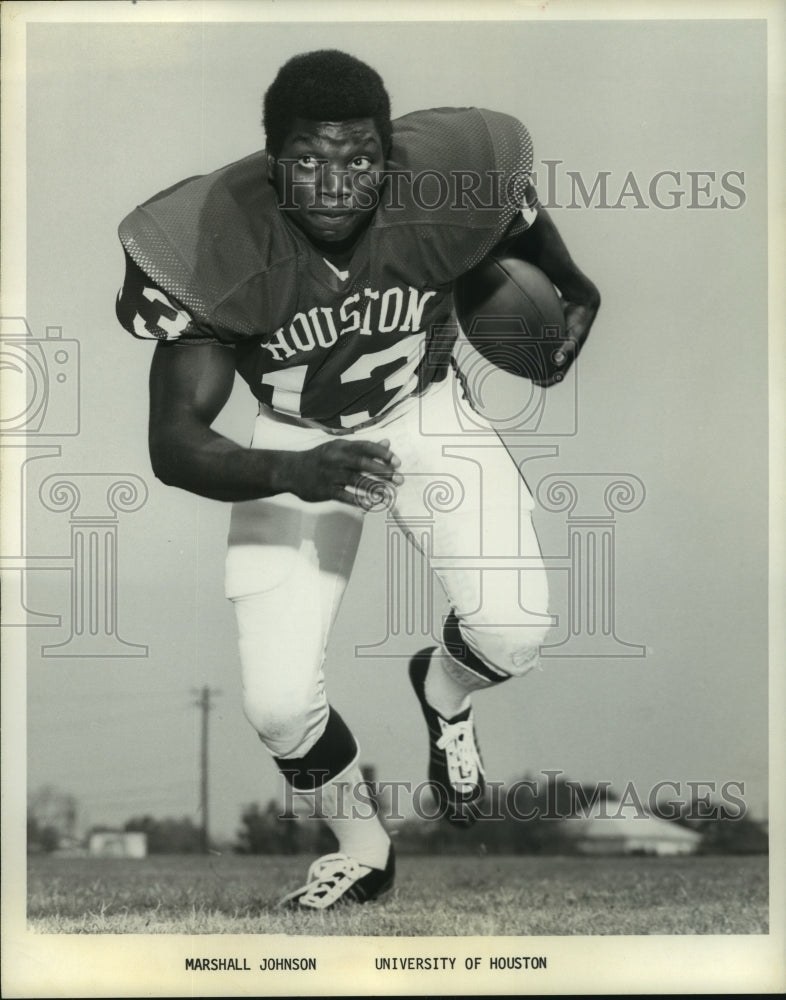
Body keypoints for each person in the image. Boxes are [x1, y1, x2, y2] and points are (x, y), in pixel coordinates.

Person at [116, 49, 600, 910]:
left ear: (390, 155)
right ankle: (363, 848)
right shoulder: (209, 242)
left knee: (516, 634)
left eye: (360, 158)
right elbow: (176, 442)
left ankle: (443, 691)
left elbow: (518, 221)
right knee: (274, 706)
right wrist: (295, 471)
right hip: (294, 441)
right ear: (273, 163)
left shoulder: (449, 181)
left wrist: (574, 287)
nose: (337, 182)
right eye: (309, 159)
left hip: (426, 412)